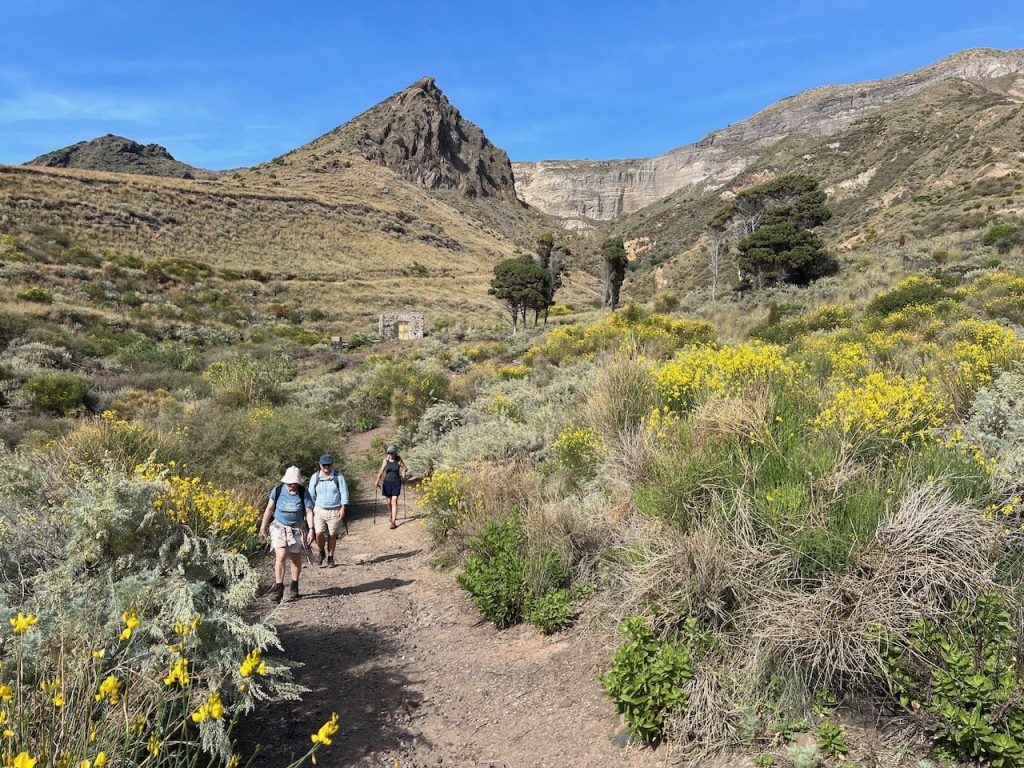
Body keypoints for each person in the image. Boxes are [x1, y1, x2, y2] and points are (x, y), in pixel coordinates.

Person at [258, 466, 315, 602]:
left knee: (295, 558)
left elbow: (308, 512)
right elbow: (269, 509)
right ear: (285, 482)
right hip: (279, 526)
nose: (292, 487)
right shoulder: (277, 491)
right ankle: (279, 589)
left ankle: (294, 587)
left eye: (294, 484)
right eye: (289, 484)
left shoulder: (303, 492)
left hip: (297, 528)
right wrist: (262, 527)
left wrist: (311, 529)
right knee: (281, 556)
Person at [310, 453, 348, 568]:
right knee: (319, 533)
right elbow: (311, 494)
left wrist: (343, 508)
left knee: (332, 535)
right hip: (319, 510)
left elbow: (344, 493)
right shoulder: (315, 477)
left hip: (335, 510)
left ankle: (331, 557)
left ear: (332, 465)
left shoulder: (338, 476)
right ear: (320, 465)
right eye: (324, 465)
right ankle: (321, 551)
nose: (326, 467)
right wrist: (310, 510)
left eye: (328, 465)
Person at [374, 445, 408, 529]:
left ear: (395, 453)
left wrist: (403, 474)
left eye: (392, 453)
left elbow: (405, 468)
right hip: (387, 483)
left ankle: (393, 522)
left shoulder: (399, 460)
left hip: (396, 482)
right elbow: (381, 471)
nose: (390, 455)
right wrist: (377, 480)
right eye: (389, 453)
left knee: (394, 501)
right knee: (389, 502)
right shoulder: (385, 461)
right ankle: (391, 515)